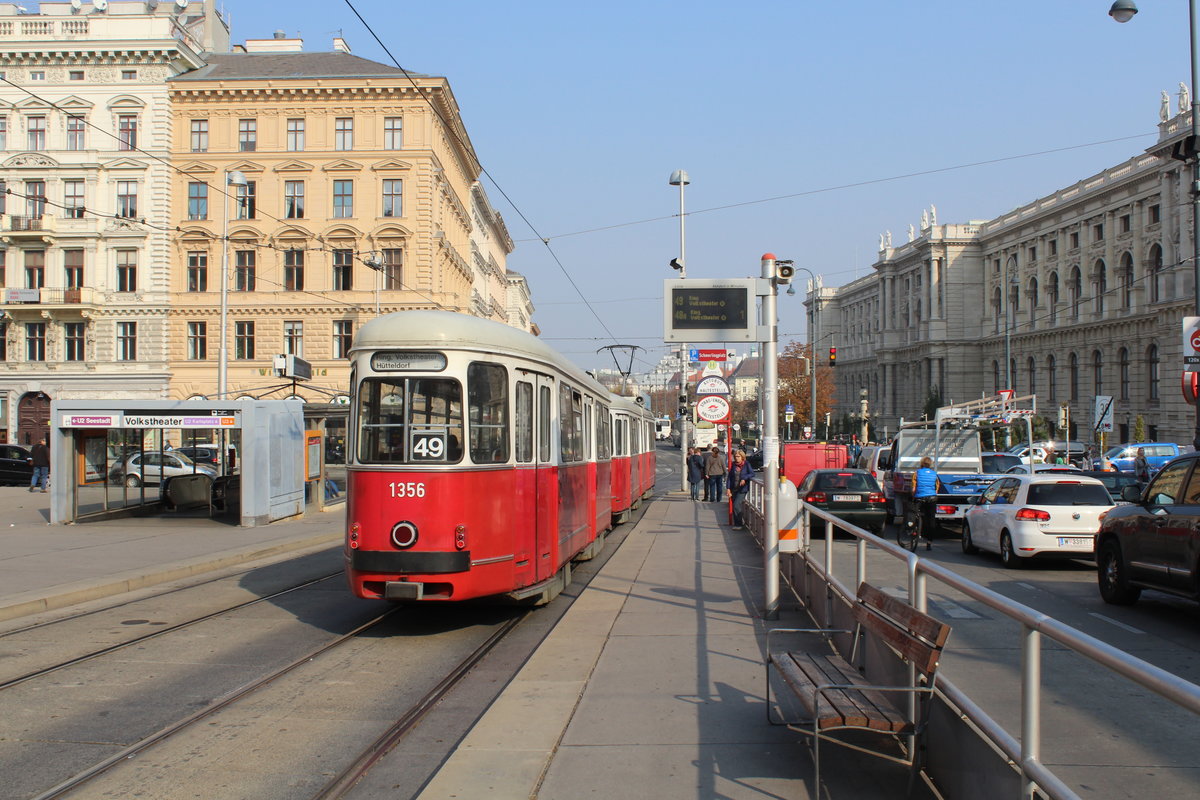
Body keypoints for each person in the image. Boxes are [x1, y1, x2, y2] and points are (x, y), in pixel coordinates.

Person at [910, 455, 938, 550]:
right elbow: (936, 488)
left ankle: (915, 530)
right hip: (932, 498)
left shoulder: (917, 473)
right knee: (931, 519)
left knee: (915, 514)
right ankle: (929, 541)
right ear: (930, 464)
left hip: (920, 497)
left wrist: (913, 496)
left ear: (921, 463)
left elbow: (913, 488)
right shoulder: (934, 474)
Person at [727, 449, 754, 528]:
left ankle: (739, 524)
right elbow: (730, 477)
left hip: (742, 489)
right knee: (735, 506)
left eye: (738, 456)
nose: (736, 458)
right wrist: (728, 488)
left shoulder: (746, 464)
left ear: (742, 457)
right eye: (735, 456)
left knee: (736, 505)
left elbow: (752, 473)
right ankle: (737, 522)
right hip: (733, 488)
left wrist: (744, 478)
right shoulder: (733, 464)